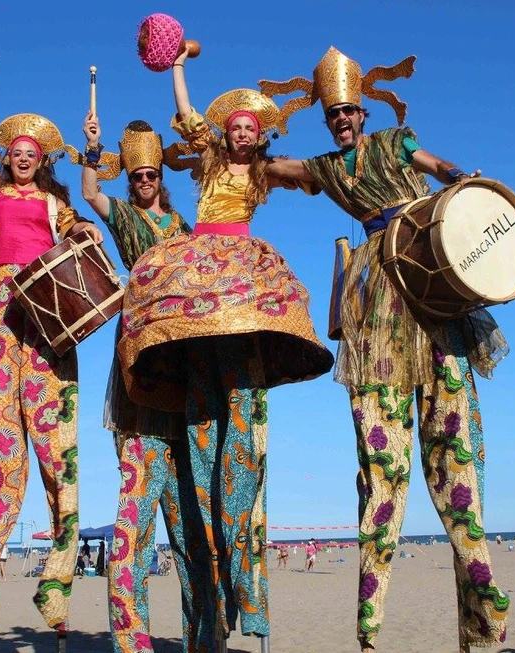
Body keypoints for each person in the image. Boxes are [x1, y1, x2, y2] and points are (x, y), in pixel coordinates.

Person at [264, 46, 510, 651]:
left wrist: (462, 180)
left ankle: (482, 622)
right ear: (327, 120)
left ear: (362, 112)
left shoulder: (395, 141)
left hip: (427, 268)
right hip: (376, 299)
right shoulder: (328, 167)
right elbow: (286, 171)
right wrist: (245, 153)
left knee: (456, 461)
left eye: (348, 111)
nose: (342, 120)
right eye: (333, 115)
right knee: (382, 472)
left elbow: (439, 164)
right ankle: (370, 630)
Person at [117, 45, 334, 646]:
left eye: (248, 129)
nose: (239, 134)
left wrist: (343, 163)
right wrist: (179, 63)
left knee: (241, 406)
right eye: (234, 127)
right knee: (200, 402)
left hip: (238, 269)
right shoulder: (209, 159)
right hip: (199, 270)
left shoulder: (265, 172)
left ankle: (244, 582)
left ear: (258, 137)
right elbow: (187, 113)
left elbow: (316, 175)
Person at [0, 85, 103, 638]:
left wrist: (85, 228)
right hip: (1, 311)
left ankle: (59, 581)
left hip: (44, 310)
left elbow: (76, 230)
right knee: (2, 447)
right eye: (15, 150)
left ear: (41, 163)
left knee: (55, 446)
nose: (21, 157)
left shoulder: (50, 202)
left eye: (30, 153)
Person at [80, 113, 212, 652]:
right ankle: (132, 642)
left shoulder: (182, 228)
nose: (143, 183)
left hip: (180, 365)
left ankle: (201, 637)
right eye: (136, 177)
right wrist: (92, 148)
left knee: (187, 522)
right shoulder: (126, 219)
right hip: (138, 365)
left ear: (161, 177)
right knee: (134, 508)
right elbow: (91, 193)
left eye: (150, 176)